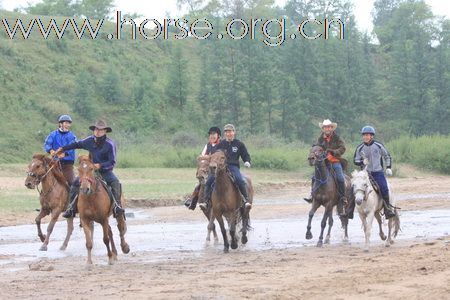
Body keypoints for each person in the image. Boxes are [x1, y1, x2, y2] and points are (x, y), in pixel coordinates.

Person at [56, 120, 125, 218]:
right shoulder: (89, 140)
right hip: (89, 171)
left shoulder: (110, 144)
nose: (98, 131)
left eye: (100, 130)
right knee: (75, 183)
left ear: (105, 131)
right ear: (94, 130)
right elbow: (76, 144)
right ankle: (71, 208)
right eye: (96, 129)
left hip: (105, 171)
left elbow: (112, 162)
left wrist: (100, 165)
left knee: (115, 182)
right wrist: (63, 149)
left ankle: (117, 206)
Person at [201, 124, 252, 210]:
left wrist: (247, 161)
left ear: (234, 132)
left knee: (239, 179)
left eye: (230, 132)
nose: (228, 134)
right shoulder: (221, 144)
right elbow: (215, 155)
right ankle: (206, 202)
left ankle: (245, 200)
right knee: (209, 181)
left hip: (233, 166)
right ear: (225, 134)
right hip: (220, 167)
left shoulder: (239, 144)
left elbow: (245, 155)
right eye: (227, 132)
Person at [304, 119, 347, 216]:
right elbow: (318, 147)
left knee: (340, 178)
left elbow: (342, 148)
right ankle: (312, 195)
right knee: (314, 177)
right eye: (325, 127)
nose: (327, 129)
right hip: (324, 162)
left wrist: (333, 152)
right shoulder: (320, 139)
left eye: (329, 127)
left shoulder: (337, 138)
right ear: (323, 128)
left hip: (335, 161)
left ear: (332, 128)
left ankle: (342, 197)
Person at [354, 125, 395, 219]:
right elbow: (355, 160)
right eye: (364, 135)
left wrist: (388, 167)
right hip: (365, 174)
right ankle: (349, 210)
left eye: (367, 135)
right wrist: (361, 162)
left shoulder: (378, 145)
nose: (365, 137)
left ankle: (388, 209)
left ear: (372, 136)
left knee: (384, 188)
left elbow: (387, 156)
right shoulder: (360, 148)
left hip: (378, 172)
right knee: (354, 188)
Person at [184, 126, 222, 210]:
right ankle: (192, 200)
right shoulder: (207, 145)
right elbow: (202, 156)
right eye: (210, 134)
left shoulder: (222, 144)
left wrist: (208, 157)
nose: (212, 136)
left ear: (218, 135)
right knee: (201, 183)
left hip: (220, 169)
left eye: (214, 134)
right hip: (208, 169)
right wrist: (204, 158)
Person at [43, 114, 77, 185]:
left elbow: (72, 147)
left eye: (69, 123)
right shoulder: (53, 134)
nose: (67, 125)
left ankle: (74, 196)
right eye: (66, 123)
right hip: (55, 163)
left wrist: (65, 154)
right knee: (45, 178)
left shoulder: (72, 136)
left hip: (67, 165)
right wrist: (50, 150)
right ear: (60, 124)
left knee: (73, 183)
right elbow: (47, 144)